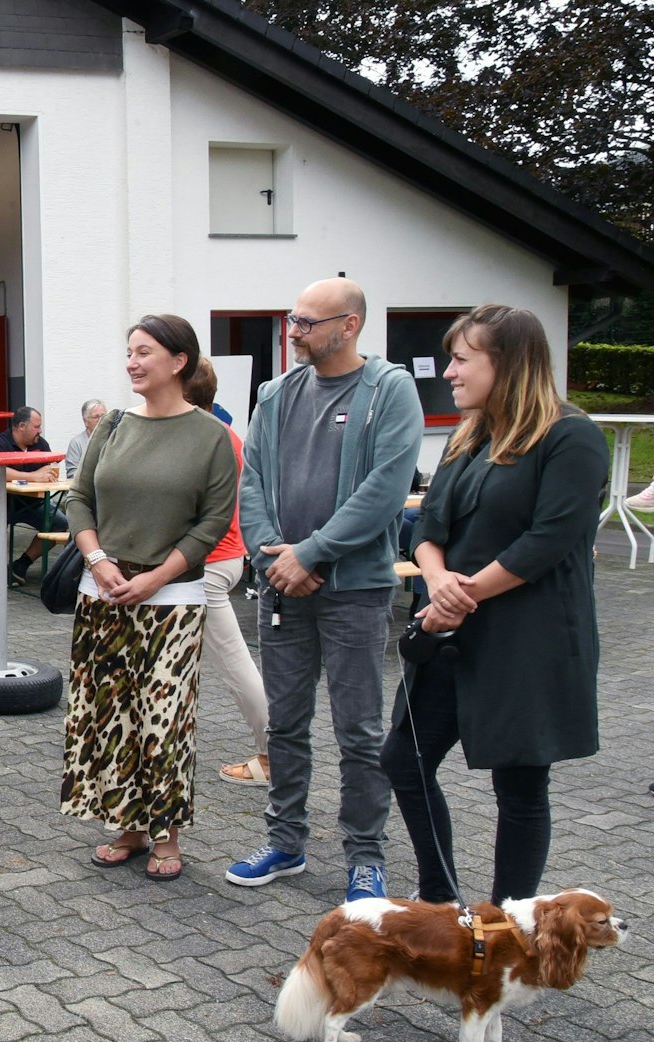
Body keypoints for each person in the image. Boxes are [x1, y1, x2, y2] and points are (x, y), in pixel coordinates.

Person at [381, 305, 606, 905]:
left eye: (461, 359)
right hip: (451, 634)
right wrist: (441, 583)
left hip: (526, 641)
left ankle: (507, 928)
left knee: (521, 786)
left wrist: (464, 592)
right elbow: (425, 524)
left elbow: (550, 539)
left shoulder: (571, 436)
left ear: (505, 362)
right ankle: (440, 898)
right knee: (403, 759)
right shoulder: (468, 434)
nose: (449, 373)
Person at [225, 277, 424, 902]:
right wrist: (274, 558)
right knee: (284, 723)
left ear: (350, 325)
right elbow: (250, 482)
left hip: (355, 591)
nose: (294, 330)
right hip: (283, 588)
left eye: (308, 322)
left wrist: (310, 554)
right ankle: (286, 842)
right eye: (293, 318)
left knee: (359, 731)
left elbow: (386, 490)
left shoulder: (390, 391)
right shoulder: (275, 393)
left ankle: (366, 858)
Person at [61, 315, 237, 881]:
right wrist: (98, 560)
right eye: (130, 352)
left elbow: (212, 523)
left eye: (145, 352)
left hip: (173, 598)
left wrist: (158, 576)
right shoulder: (112, 425)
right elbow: (80, 498)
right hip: (105, 593)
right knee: (110, 716)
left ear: (179, 361)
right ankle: (129, 825)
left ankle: (167, 833)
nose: (133, 362)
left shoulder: (210, 435)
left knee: (164, 718)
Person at [178, 361, 271, 789]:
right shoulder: (223, 432)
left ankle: (273, 756)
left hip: (209, 564)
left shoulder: (205, 437)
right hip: (218, 560)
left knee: (234, 663)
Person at [0, 405, 67, 587]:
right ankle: (1, 570)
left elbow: (49, 469)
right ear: (22, 426)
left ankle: (20, 566)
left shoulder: (41, 444)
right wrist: (32, 476)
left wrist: (44, 475)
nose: (40, 431)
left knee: (60, 525)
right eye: (36, 427)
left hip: (28, 502)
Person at [62, 398, 107, 479]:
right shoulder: (77, 443)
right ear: (85, 421)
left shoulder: (113, 440)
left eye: (103, 416)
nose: (101, 420)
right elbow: (72, 474)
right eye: (96, 417)